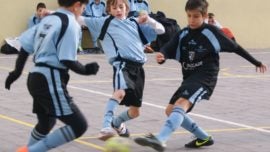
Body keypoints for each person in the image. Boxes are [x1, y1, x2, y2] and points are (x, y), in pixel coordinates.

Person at [134, 0, 267, 152]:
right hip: (189, 77)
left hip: (206, 77)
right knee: (170, 111)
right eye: (189, 16)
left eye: (195, 16)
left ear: (204, 16)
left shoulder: (212, 32)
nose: (191, 20)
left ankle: (161, 139)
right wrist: (162, 55)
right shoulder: (183, 33)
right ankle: (204, 138)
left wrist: (256, 62)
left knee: (181, 104)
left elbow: (236, 47)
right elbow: (169, 47)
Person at [5, 0, 100, 151]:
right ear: (76, 5)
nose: (83, 11)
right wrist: (86, 70)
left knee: (46, 123)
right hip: (49, 79)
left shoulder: (48, 19)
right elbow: (67, 59)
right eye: (83, 7)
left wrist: (16, 73)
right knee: (79, 125)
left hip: (35, 77)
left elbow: (25, 47)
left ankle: (30, 148)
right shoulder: (71, 24)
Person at [78, 0, 165, 141]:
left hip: (139, 69)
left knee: (135, 112)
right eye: (114, 7)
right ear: (109, 10)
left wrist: (149, 20)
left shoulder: (134, 22)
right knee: (119, 93)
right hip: (122, 65)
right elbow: (80, 19)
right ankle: (105, 127)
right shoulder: (104, 22)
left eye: (121, 7)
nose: (118, 10)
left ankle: (117, 123)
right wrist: (55, 14)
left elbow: (161, 30)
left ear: (126, 8)